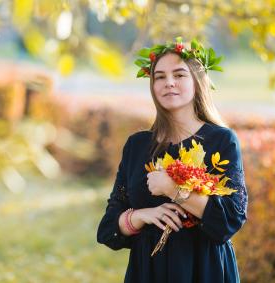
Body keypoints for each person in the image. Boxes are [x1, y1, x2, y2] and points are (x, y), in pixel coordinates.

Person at [97, 37, 248, 283]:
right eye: (160, 77)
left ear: (197, 82)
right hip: (149, 272)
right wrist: (141, 215)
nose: (169, 83)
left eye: (179, 75)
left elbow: (228, 222)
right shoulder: (137, 145)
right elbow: (107, 230)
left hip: (205, 270)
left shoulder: (222, 141)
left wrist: (173, 189)